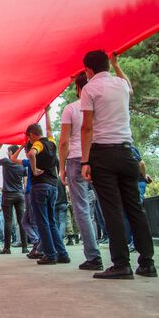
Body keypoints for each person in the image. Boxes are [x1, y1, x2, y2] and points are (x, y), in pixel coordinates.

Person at [80, 51, 155, 278]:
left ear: (88, 70)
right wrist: (117, 65)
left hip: (103, 154)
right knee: (136, 209)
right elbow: (129, 86)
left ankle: (121, 264)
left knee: (112, 211)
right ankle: (147, 263)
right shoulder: (121, 85)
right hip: (127, 153)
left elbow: (87, 128)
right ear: (108, 66)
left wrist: (85, 160)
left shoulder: (89, 89)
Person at [58, 71, 103, 270]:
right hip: (100, 156)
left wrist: (62, 168)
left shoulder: (71, 109)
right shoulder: (101, 104)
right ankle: (123, 254)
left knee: (82, 209)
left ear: (78, 88)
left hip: (76, 159)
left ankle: (93, 256)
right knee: (109, 206)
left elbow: (63, 142)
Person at [26, 121, 70, 265]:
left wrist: (33, 170)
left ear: (33, 135)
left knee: (42, 222)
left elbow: (31, 154)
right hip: (53, 187)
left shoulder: (38, 144)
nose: (29, 140)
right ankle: (62, 254)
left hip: (40, 186)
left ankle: (50, 255)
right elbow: (50, 129)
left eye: (29, 137)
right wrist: (47, 112)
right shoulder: (51, 142)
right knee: (51, 222)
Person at [0, 144, 28, 254]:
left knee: (8, 221)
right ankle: (24, 247)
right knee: (21, 221)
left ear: (11, 152)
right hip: (20, 194)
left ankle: (7, 248)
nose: (7, 153)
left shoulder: (6, 162)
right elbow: (25, 181)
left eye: (8, 151)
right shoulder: (22, 164)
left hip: (7, 194)